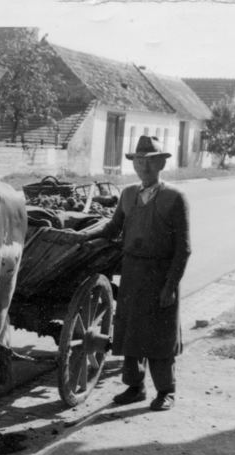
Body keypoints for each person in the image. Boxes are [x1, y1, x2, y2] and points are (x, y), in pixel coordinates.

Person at [77, 135, 191, 411]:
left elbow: (184, 249)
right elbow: (112, 229)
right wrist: (83, 238)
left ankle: (166, 391)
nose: (144, 168)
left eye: (150, 162)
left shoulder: (174, 198)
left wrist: (170, 286)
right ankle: (134, 387)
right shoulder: (128, 195)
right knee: (130, 333)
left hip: (160, 275)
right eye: (139, 162)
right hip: (132, 272)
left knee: (160, 337)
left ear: (161, 164)